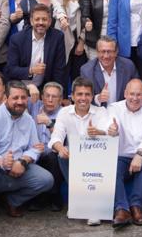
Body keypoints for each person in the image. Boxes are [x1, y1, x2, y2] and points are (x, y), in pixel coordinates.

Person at [0, 81, 55, 237]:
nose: (20, 102)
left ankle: (11, 201)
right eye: (15, 98)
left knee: (46, 179)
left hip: (17, 167)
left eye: (23, 98)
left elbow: (35, 148)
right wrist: (2, 162)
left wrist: (22, 161)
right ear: (6, 98)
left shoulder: (28, 119)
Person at [49, 77, 118, 225]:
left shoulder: (100, 111)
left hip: (97, 159)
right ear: (72, 96)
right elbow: (56, 137)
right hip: (74, 158)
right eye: (79, 94)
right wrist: (60, 148)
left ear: (92, 96)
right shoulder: (64, 112)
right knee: (62, 154)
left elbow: (109, 132)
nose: (83, 98)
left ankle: (92, 208)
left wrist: (99, 132)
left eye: (87, 94)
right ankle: (79, 202)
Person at [108, 79, 142, 228]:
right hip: (121, 155)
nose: (135, 98)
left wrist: (140, 154)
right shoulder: (114, 107)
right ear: (125, 94)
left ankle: (136, 206)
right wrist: (111, 130)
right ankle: (122, 209)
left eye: (139, 95)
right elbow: (110, 125)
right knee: (111, 165)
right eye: (131, 94)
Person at [6, 4, 69, 96]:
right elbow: (11, 69)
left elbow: (59, 70)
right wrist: (31, 70)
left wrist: (61, 96)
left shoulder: (57, 37)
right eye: (37, 19)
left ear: (50, 21)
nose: (41, 22)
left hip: (44, 88)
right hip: (20, 87)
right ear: (31, 21)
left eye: (44, 19)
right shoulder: (17, 39)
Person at [29, 81, 66, 211]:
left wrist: (49, 124)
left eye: (54, 97)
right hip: (34, 151)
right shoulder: (33, 106)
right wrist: (31, 86)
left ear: (61, 99)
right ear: (42, 97)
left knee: (53, 157)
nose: (50, 100)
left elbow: (63, 139)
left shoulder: (65, 113)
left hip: (53, 154)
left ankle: (52, 195)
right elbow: (16, 91)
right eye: (47, 96)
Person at [80, 36, 138, 107]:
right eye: (103, 51)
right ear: (97, 52)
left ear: (116, 52)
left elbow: (138, 87)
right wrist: (98, 98)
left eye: (110, 51)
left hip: (123, 112)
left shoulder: (128, 66)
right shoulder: (87, 71)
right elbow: (82, 97)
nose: (106, 56)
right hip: (99, 113)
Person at [53, 0, 87, 81]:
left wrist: (82, 41)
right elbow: (58, 9)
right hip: (63, 42)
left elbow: (88, 18)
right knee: (61, 76)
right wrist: (62, 18)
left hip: (80, 43)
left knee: (78, 78)